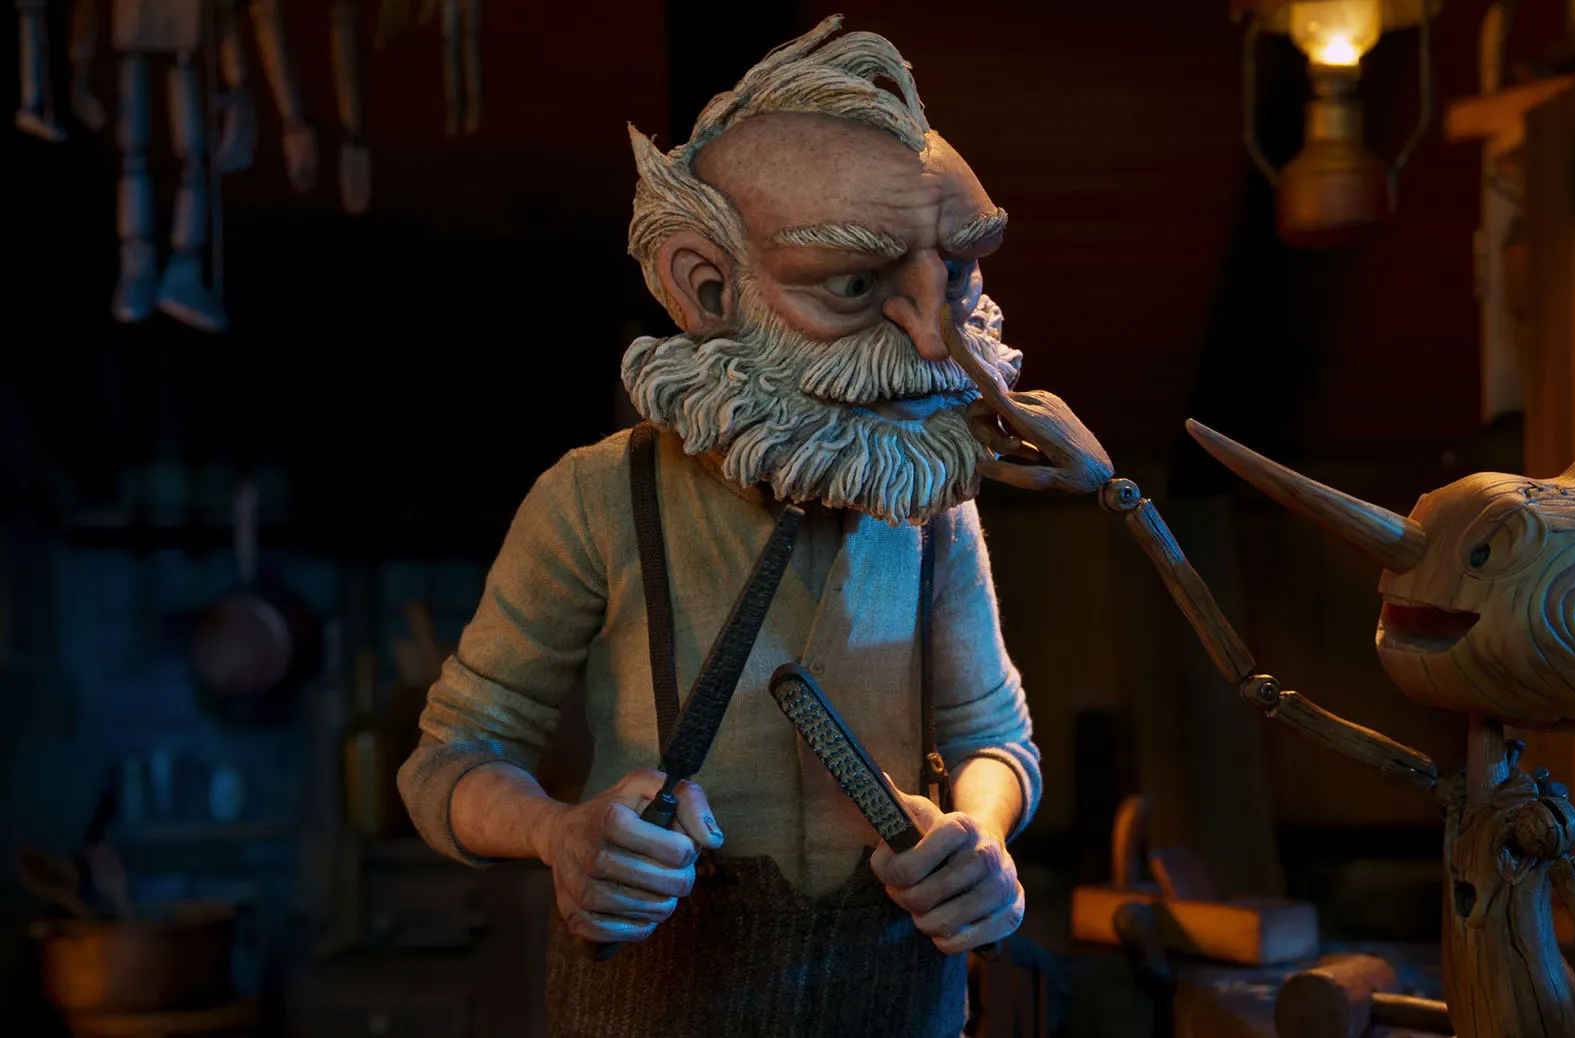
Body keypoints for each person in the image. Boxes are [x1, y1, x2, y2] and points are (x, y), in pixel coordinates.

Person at [397, 15, 1110, 1038]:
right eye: (855, 283)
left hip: (894, 995)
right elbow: (452, 758)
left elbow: (996, 740)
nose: (933, 336)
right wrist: (561, 836)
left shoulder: (932, 506)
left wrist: (981, 839)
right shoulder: (596, 499)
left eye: (957, 273)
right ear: (706, 285)